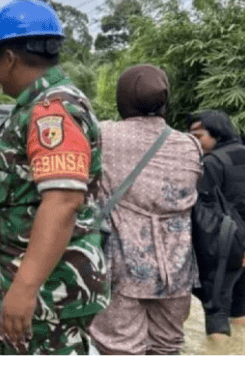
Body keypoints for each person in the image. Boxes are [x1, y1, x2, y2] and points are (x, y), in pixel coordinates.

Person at [0, 0, 109, 355]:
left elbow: (63, 201)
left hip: (45, 299)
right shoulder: (35, 107)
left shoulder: (52, 110)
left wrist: (25, 289)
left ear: (9, 58)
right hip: (23, 289)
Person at [87, 65, 203, 355]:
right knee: (167, 347)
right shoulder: (190, 144)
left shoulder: (104, 136)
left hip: (121, 265)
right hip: (177, 269)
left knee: (121, 349)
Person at [188, 109, 245, 340]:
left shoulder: (212, 163)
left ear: (217, 133)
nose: (194, 142)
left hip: (227, 245)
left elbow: (206, 214)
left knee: (216, 311)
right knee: (240, 306)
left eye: (198, 135)